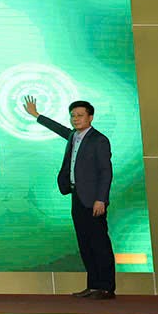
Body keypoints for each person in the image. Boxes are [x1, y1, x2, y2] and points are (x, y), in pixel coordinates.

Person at [23, 97, 115, 299]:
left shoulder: (99, 140)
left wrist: (101, 199)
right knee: (85, 243)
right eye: (73, 115)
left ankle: (106, 287)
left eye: (80, 115)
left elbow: (105, 172)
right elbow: (59, 129)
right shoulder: (74, 136)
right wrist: (37, 115)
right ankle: (93, 285)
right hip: (77, 197)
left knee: (99, 244)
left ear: (90, 117)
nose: (76, 119)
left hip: (93, 200)